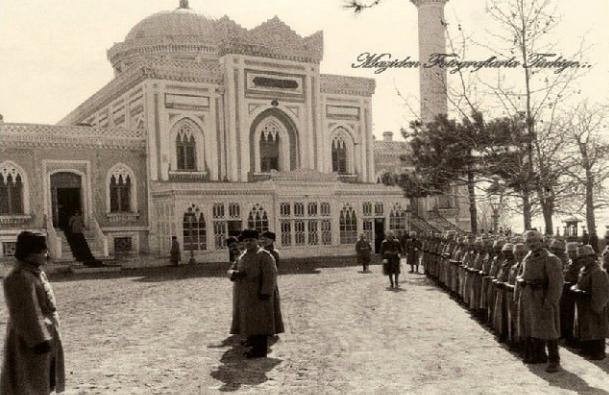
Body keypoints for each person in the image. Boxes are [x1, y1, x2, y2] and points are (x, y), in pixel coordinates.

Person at [1, 231, 65, 394]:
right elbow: (24, 312)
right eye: (43, 251)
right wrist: (39, 341)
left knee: (42, 382)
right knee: (28, 383)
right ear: (31, 253)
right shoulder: (18, 276)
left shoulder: (35, 272)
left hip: (45, 337)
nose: (46, 255)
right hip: (30, 342)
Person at [516, 230, 564, 373]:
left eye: (535, 241)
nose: (532, 244)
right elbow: (521, 274)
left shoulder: (551, 259)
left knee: (549, 330)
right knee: (533, 327)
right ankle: (538, 356)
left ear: (541, 241)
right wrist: (521, 282)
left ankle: (554, 360)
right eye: (529, 242)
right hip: (529, 298)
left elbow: (556, 284)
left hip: (543, 298)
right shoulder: (527, 258)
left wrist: (550, 302)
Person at [231, 229, 279, 358]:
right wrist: (233, 274)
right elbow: (233, 268)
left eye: (251, 240)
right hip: (245, 295)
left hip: (259, 295)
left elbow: (271, 275)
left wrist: (266, 292)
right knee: (249, 320)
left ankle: (260, 350)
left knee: (260, 322)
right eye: (246, 240)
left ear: (257, 241)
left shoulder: (264, 255)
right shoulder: (243, 255)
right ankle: (252, 341)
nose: (248, 243)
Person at [571, 245, 609, 360]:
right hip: (584, 304)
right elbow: (580, 283)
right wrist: (575, 288)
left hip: (594, 303)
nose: (582, 260)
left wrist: (598, 307)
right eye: (581, 258)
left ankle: (599, 352)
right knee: (586, 327)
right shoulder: (584, 270)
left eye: (585, 257)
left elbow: (600, 292)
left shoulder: (598, 271)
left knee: (597, 328)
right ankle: (588, 349)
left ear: (592, 257)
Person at [259, 231, 285, 337]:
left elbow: (274, 269)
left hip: (270, 282)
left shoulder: (274, 252)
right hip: (260, 282)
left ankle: (271, 329)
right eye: (263, 238)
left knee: (271, 306)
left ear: (272, 240)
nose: (264, 240)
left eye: (267, 239)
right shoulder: (260, 251)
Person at [560, 242, 581, 346]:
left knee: (573, 315)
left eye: (573, 252)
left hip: (574, 292)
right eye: (569, 252)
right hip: (566, 291)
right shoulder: (569, 262)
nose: (571, 254)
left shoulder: (580, 263)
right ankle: (567, 335)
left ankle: (574, 338)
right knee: (566, 314)